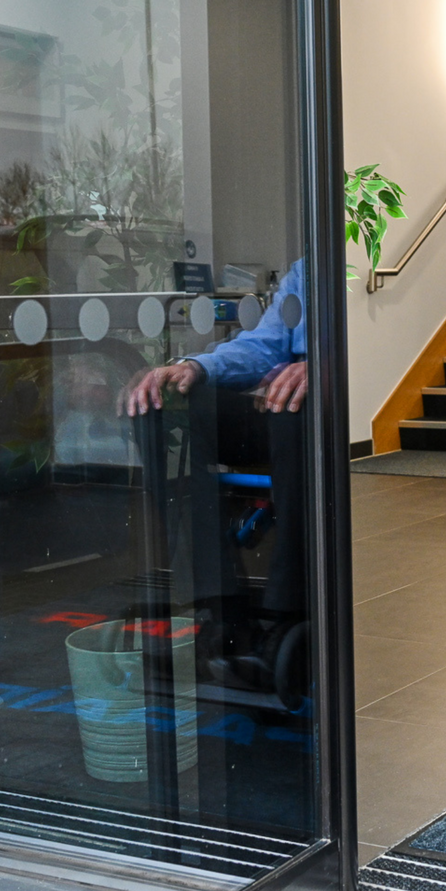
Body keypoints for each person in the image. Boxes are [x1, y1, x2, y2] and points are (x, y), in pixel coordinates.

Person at [120, 260, 310, 703]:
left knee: (293, 404)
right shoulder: (309, 266)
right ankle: (222, 610)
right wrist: (194, 367)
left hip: (317, 411)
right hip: (278, 404)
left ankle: (285, 616)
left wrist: (327, 365)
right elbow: (265, 344)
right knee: (166, 403)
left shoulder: (370, 252)